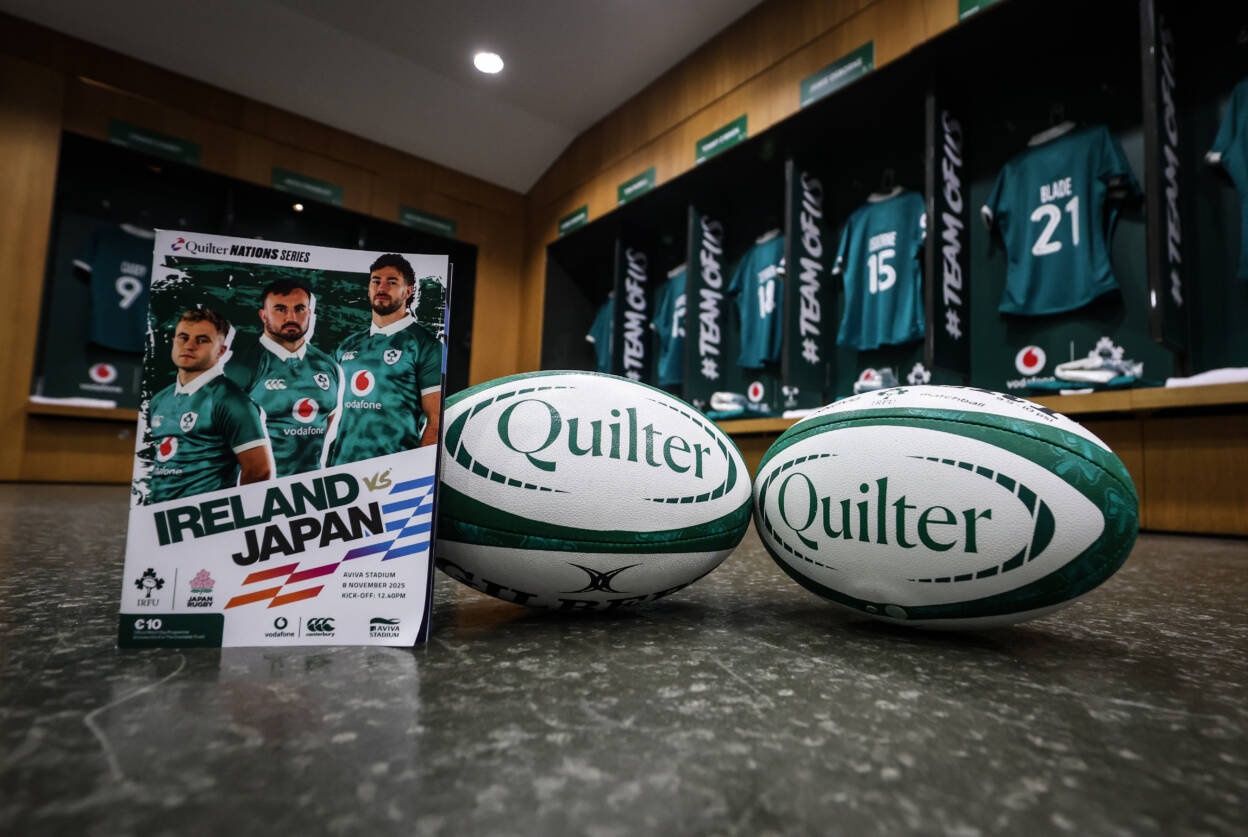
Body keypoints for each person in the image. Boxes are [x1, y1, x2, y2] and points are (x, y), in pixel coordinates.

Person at [146, 308, 272, 504]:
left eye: (202, 340)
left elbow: (259, 471)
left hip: (203, 520)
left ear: (221, 351)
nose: (189, 346)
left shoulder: (232, 401)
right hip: (159, 519)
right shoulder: (159, 400)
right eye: (183, 337)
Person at [327, 254, 443, 465]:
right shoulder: (348, 345)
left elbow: (436, 420)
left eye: (392, 282)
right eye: (376, 281)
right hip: (341, 468)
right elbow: (329, 411)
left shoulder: (426, 345)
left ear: (408, 291)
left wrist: (417, 473)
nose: (381, 288)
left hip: (393, 474)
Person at [225, 279, 341, 477]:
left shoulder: (328, 366)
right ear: (263, 315)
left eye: (299, 309)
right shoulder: (242, 367)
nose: (291, 317)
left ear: (310, 314)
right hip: (257, 494)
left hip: (311, 490)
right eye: (280, 309)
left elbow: (327, 422)